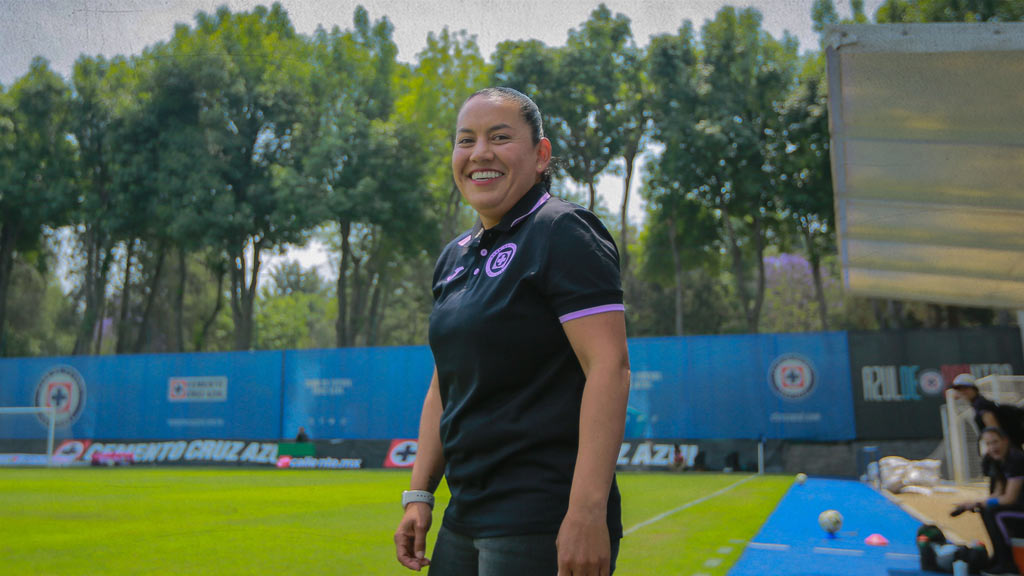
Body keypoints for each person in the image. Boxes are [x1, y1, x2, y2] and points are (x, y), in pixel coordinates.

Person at [393, 87, 630, 576]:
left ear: (541, 155)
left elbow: (609, 367)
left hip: (542, 516)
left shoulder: (564, 231)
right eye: (466, 141)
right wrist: (419, 494)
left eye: (500, 138)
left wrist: (587, 512)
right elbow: (444, 383)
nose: (480, 153)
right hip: (465, 515)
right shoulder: (454, 256)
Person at [951, 427, 1024, 576]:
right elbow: (998, 493)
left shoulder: (1016, 459)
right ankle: (998, 557)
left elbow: (1010, 498)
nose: (992, 447)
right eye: (988, 444)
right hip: (1018, 507)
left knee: (995, 513)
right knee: (986, 509)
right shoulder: (997, 460)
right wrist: (973, 503)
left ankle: (1007, 563)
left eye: (995, 442)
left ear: (1005, 441)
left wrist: (982, 504)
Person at [951, 373, 1024, 449]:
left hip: (1006, 450)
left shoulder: (981, 406)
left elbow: (994, 430)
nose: (963, 392)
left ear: (974, 389)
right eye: (959, 389)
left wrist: (998, 450)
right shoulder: (979, 404)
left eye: (965, 389)